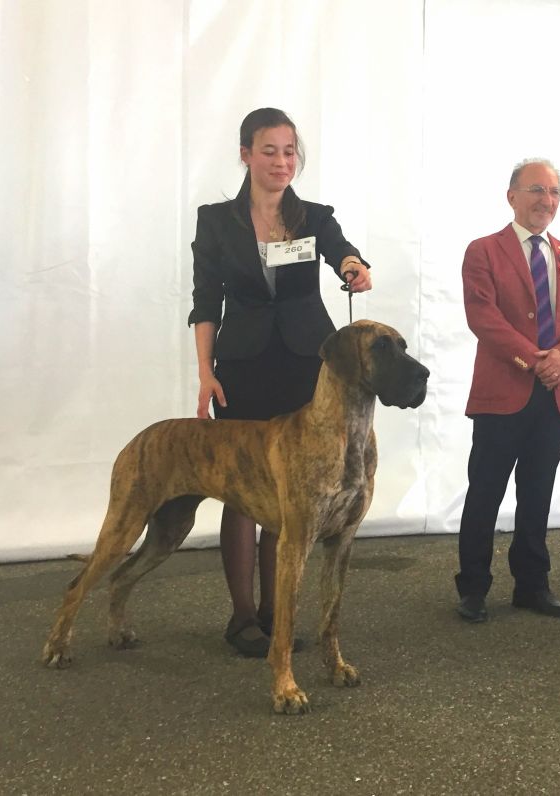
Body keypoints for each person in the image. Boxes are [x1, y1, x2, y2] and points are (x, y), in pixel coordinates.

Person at [188, 108, 372, 656]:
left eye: (289, 151)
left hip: (304, 365)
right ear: (245, 154)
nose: (281, 161)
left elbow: (342, 248)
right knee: (243, 490)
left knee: (292, 492)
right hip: (242, 364)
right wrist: (204, 372)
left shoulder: (314, 215)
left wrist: (353, 265)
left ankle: (277, 611)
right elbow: (205, 300)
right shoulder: (216, 221)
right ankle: (243, 615)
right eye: (269, 150)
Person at [455, 158, 560, 623]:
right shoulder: (484, 251)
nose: (546, 200)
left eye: (555, 192)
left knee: (538, 493)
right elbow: (483, 317)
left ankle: (532, 585)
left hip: (555, 394)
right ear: (511, 195)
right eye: (537, 190)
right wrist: (536, 359)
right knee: (486, 493)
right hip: (503, 393)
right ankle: (473, 587)